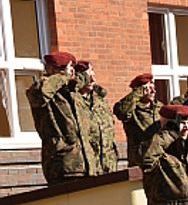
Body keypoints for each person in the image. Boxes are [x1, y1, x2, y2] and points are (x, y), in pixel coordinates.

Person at [27, 51, 98, 184]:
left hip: (87, 165)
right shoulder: (39, 88)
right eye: (68, 68)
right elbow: (41, 94)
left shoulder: (71, 93)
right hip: (62, 165)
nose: (72, 73)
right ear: (54, 69)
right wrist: (62, 76)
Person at [74, 60, 119, 175]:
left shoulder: (100, 100)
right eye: (88, 77)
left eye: (93, 76)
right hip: (87, 167)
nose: (93, 80)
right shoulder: (73, 101)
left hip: (108, 164)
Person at [114, 73, 161, 167]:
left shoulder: (160, 107)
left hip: (160, 159)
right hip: (140, 161)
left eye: (153, 88)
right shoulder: (132, 110)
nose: (153, 91)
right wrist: (137, 92)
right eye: (149, 89)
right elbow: (121, 112)